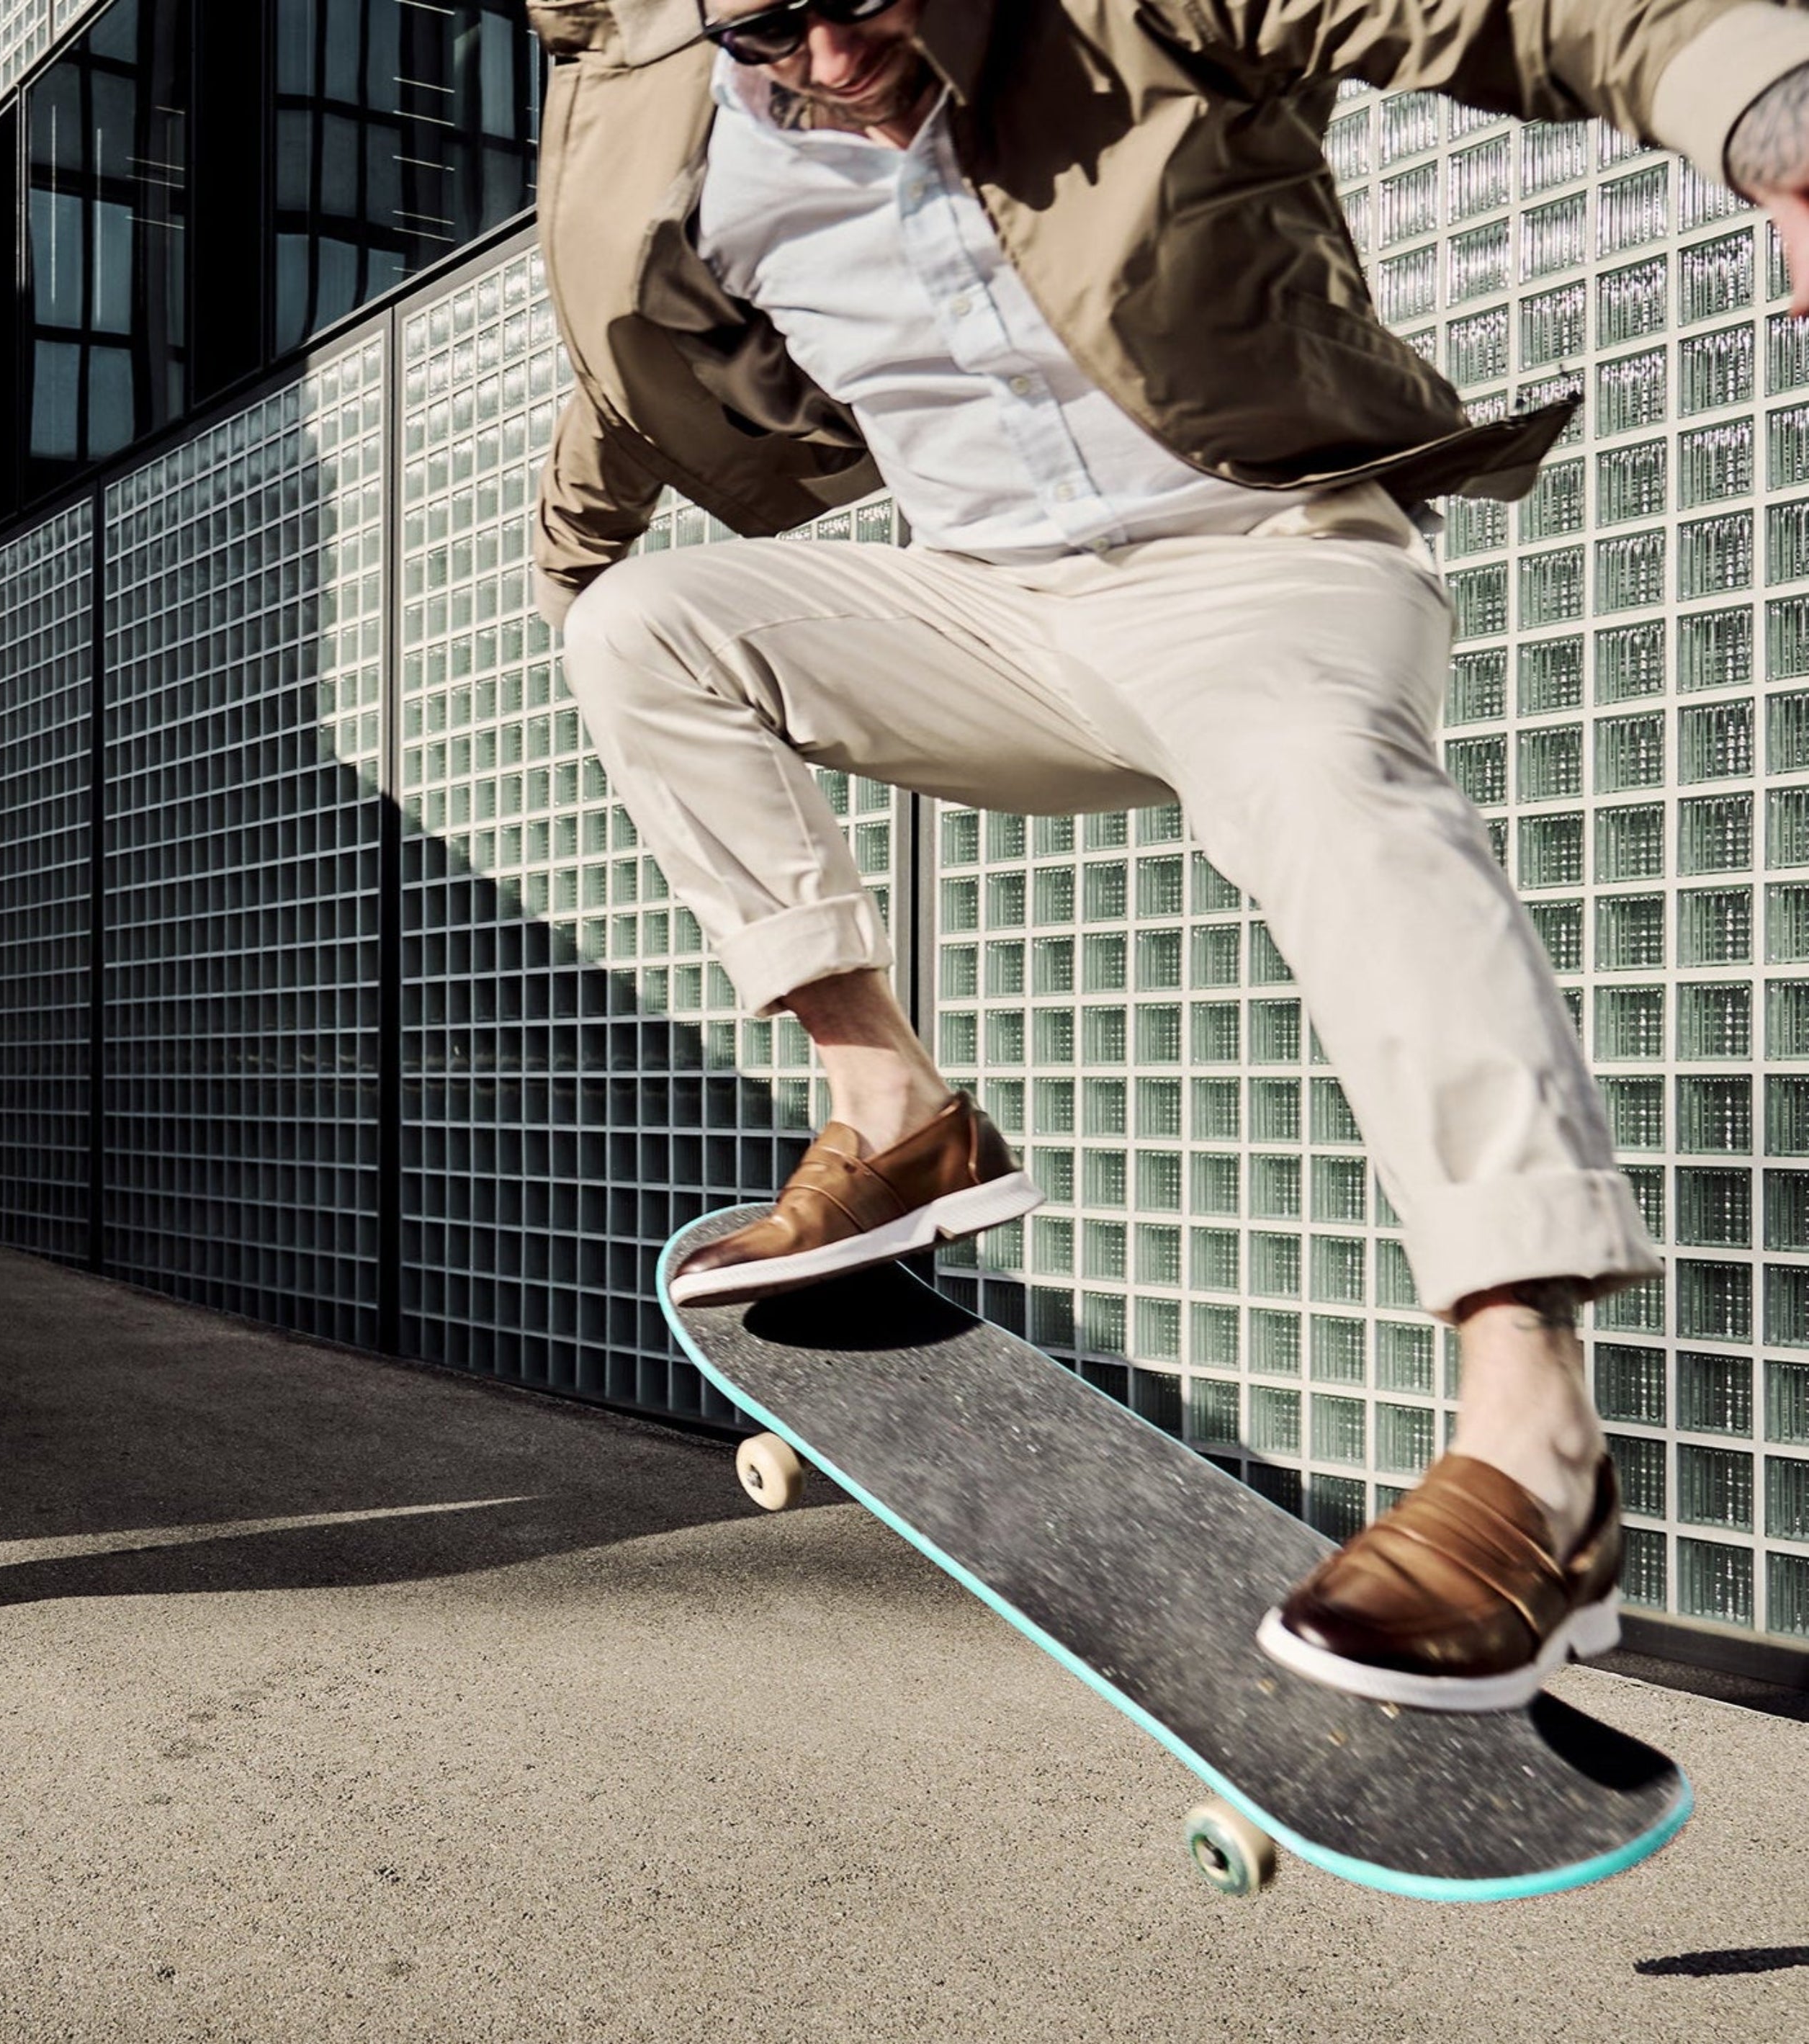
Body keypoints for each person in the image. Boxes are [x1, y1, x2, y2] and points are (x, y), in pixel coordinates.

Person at [534, 0, 1809, 1710]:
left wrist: (1775, 118)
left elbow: (1541, 16)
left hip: (1263, 563)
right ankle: (895, 1123)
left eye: (873, 1)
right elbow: (626, 395)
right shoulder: (655, 117)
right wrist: (572, 583)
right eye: (777, 26)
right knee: (640, 628)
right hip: (984, 612)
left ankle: (1536, 1443)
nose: (835, 61)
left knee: (1324, 783)